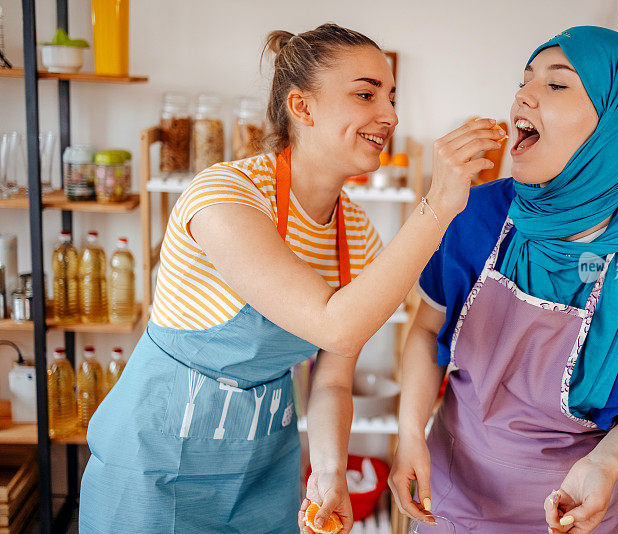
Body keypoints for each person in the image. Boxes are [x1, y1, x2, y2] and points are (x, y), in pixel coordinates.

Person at [79, 24, 504, 534]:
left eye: (391, 97)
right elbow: (336, 327)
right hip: (156, 462)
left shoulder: (357, 235)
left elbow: (332, 378)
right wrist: (438, 206)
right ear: (301, 107)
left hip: (263, 467)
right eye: (366, 94)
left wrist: (328, 472)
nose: (389, 115)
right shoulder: (224, 197)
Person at [389, 26, 618, 534]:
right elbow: (427, 330)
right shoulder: (475, 214)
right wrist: (409, 431)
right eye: (525, 80)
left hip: (578, 504)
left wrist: (602, 466)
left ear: (614, 122)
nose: (523, 94)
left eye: (557, 84)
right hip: (452, 491)